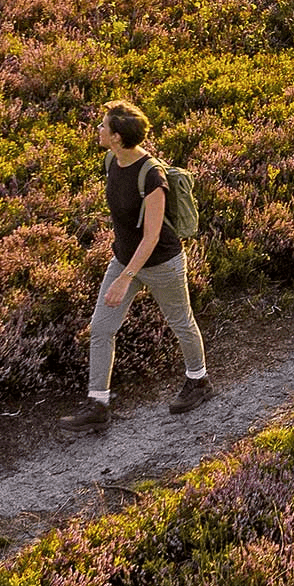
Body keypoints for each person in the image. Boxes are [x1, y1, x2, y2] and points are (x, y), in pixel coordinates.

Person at [90, 100, 207, 418]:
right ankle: (98, 404)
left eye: (103, 126)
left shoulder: (152, 176)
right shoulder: (111, 161)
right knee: (101, 328)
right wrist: (123, 267)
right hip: (125, 260)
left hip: (162, 264)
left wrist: (126, 277)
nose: (98, 130)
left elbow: (152, 236)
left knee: (180, 322)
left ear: (117, 136)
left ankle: (198, 381)